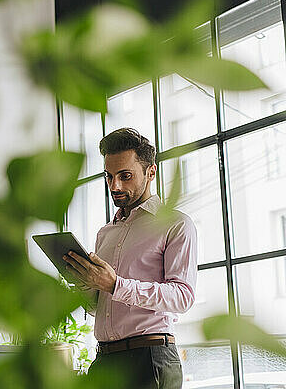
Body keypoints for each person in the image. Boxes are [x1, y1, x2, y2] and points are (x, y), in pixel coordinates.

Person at [63, 128, 197, 389]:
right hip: (105, 359)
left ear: (150, 172)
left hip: (150, 359)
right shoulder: (105, 233)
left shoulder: (176, 224)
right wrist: (87, 284)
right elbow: (98, 306)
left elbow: (182, 297)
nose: (115, 186)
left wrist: (115, 284)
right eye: (109, 176)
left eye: (125, 176)